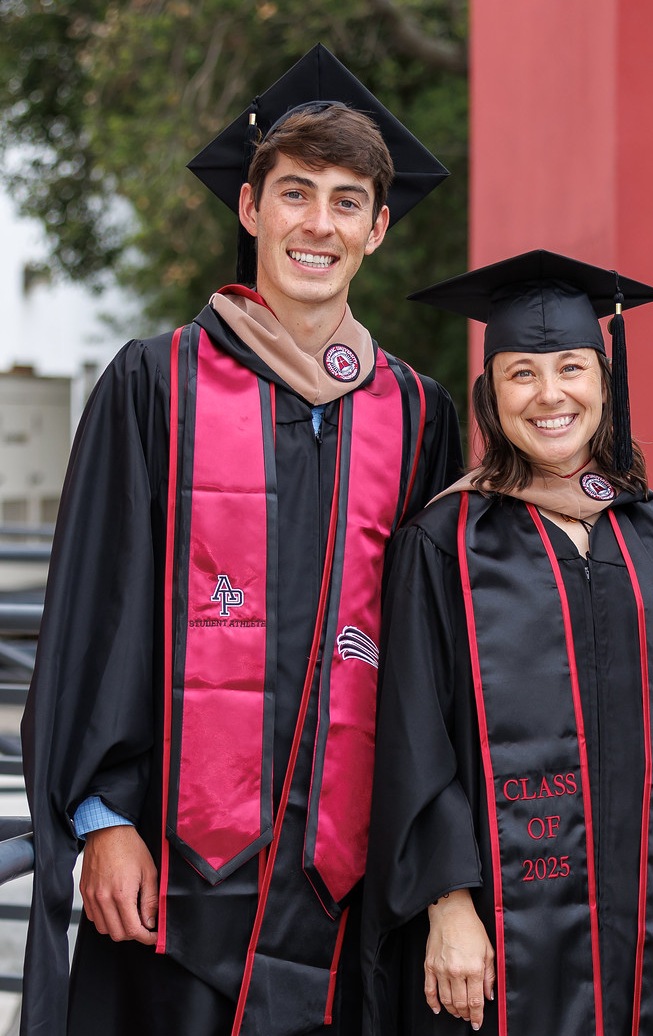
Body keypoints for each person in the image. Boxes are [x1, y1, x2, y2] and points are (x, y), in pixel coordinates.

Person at [21, 45, 460, 1036]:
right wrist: (105, 819)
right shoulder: (155, 384)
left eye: (347, 202)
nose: (319, 222)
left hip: (345, 889)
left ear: (378, 230)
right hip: (174, 885)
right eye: (295, 192)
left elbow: (439, 660)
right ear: (250, 209)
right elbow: (100, 611)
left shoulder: (415, 415)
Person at [360, 249, 653, 1035]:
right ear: (491, 394)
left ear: (604, 380)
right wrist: (448, 906)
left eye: (571, 369)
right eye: (522, 373)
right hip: (501, 934)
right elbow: (415, 738)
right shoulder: (447, 541)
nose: (550, 395)